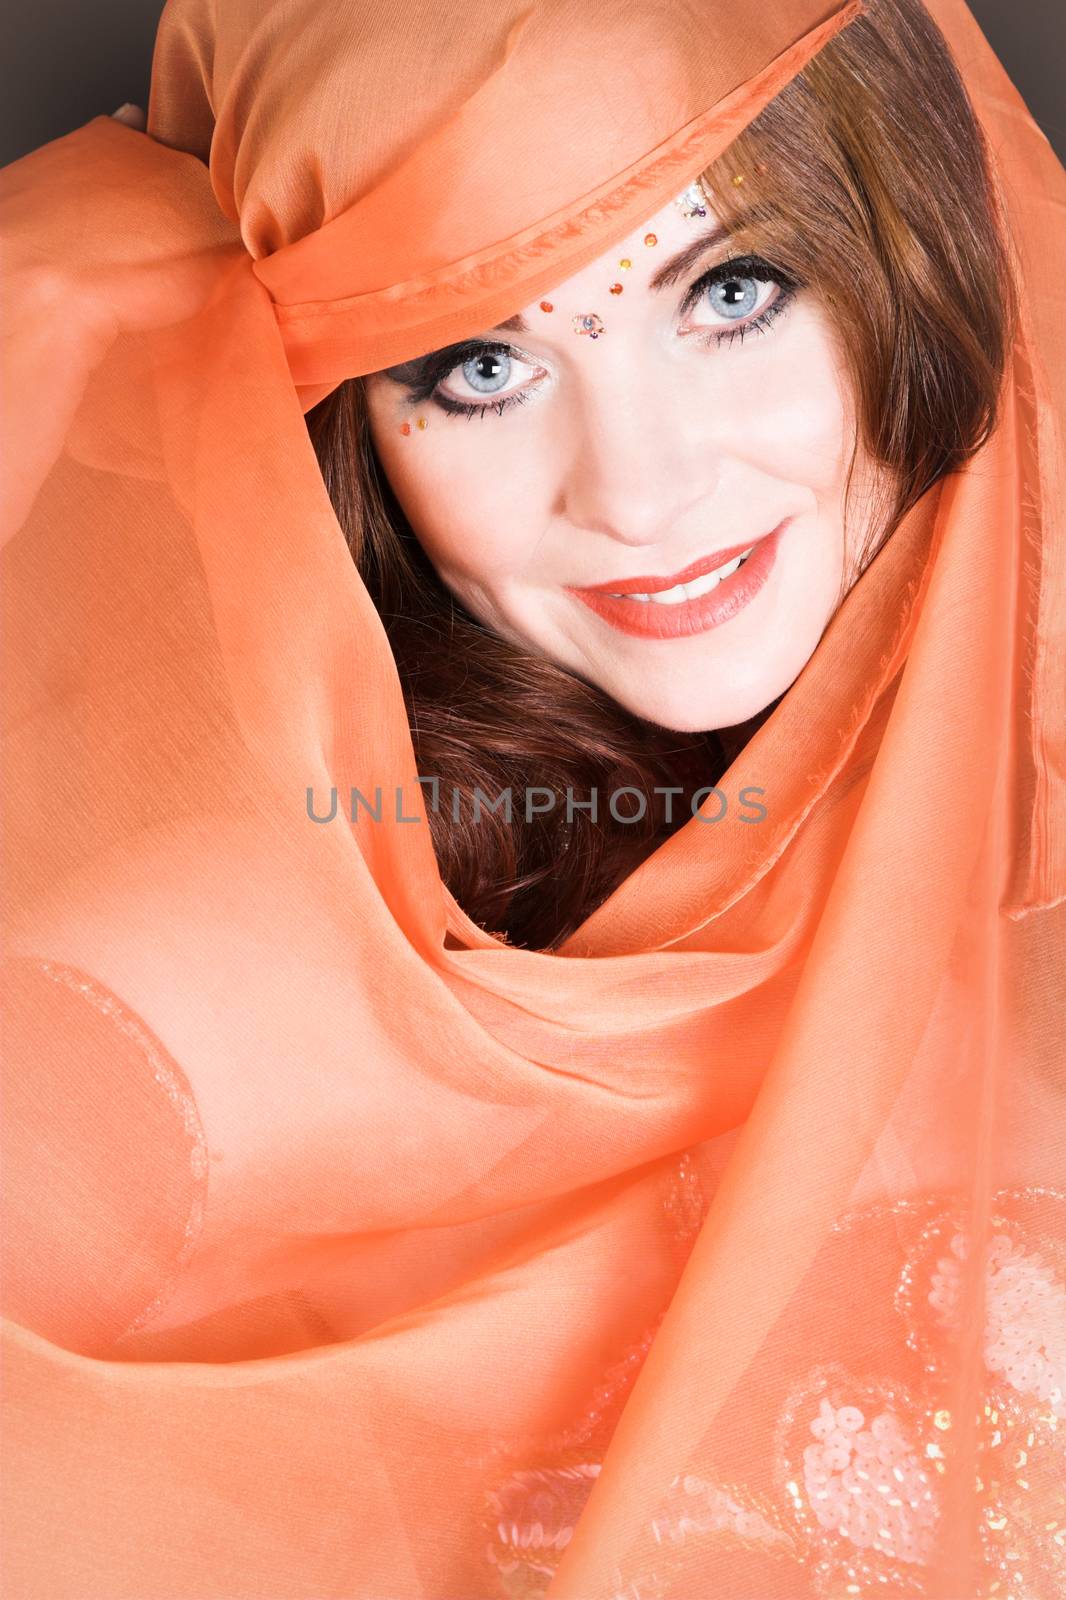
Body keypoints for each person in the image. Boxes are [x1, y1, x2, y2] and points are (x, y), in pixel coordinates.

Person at [1, 0, 1063, 1596]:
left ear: (909, 248)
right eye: (481, 363)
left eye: (732, 290)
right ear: (346, 423)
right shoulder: (160, 1015)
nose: (634, 487)